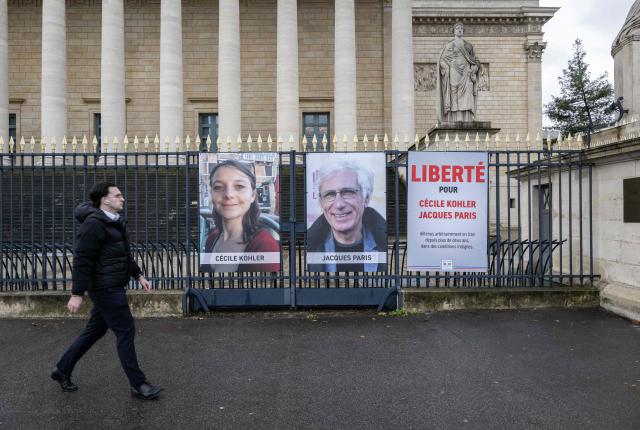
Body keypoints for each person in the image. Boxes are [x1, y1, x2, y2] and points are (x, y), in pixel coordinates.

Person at [50, 182, 162, 400]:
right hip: (105, 288)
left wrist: (138, 275)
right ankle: (138, 385)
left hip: (113, 284)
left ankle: (61, 369)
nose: (122, 199)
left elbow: (122, 254)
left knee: (95, 331)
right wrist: (76, 293)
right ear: (105, 199)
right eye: (118, 195)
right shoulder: (94, 224)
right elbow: (83, 259)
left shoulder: (115, 222)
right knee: (125, 330)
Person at [307, 160, 387, 272]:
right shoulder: (311, 249)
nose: (339, 204)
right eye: (329, 194)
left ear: (366, 198)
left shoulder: (385, 247)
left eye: (348, 192)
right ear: (321, 203)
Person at [203, 159, 280, 272]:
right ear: (211, 195)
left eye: (239, 186)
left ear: (253, 195)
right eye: (218, 187)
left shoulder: (265, 246)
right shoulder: (212, 238)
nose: (228, 194)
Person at [437, 22, 480, 122]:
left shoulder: (468, 46)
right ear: (454, 31)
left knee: (467, 93)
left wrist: (475, 67)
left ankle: (467, 117)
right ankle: (454, 118)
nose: (460, 30)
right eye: (457, 28)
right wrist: (446, 68)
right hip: (454, 71)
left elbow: (476, 60)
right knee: (454, 92)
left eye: (461, 28)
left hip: (466, 71)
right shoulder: (450, 45)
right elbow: (442, 60)